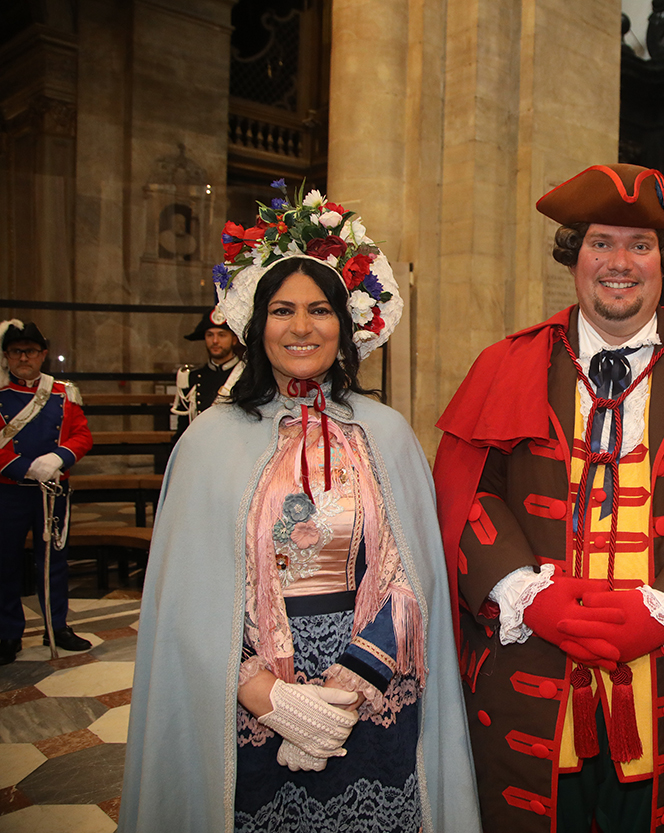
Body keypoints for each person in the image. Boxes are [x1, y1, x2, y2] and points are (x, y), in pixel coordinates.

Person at [434, 163, 664, 832]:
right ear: (574, 256)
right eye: (601, 242)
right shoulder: (504, 365)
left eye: (640, 245)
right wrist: (524, 591)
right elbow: (462, 497)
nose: (619, 262)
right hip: (529, 694)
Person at [120, 185, 479, 833]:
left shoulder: (387, 433)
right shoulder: (210, 441)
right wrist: (266, 693)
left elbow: (412, 579)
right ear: (256, 324)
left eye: (319, 309)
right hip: (250, 706)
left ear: (346, 324)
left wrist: (346, 686)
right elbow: (186, 601)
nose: (302, 326)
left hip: (372, 697)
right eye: (282, 310)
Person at [1, 320, 93, 665]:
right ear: (7, 356)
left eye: (30, 351)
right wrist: (26, 468)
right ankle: (7, 632)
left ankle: (57, 627)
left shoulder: (62, 393)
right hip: (9, 491)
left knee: (53, 562)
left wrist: (58, 457)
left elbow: (82, 436)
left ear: (43, 355)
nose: (24, 357)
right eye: (16, 351)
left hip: (53, 491)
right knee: (4, 562)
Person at [171, 304, 241, 437]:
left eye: (222, 335)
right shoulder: (191, 378)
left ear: (234, 339)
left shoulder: (248, 375)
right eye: (210, 335)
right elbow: (182, 431)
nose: (215, 341)